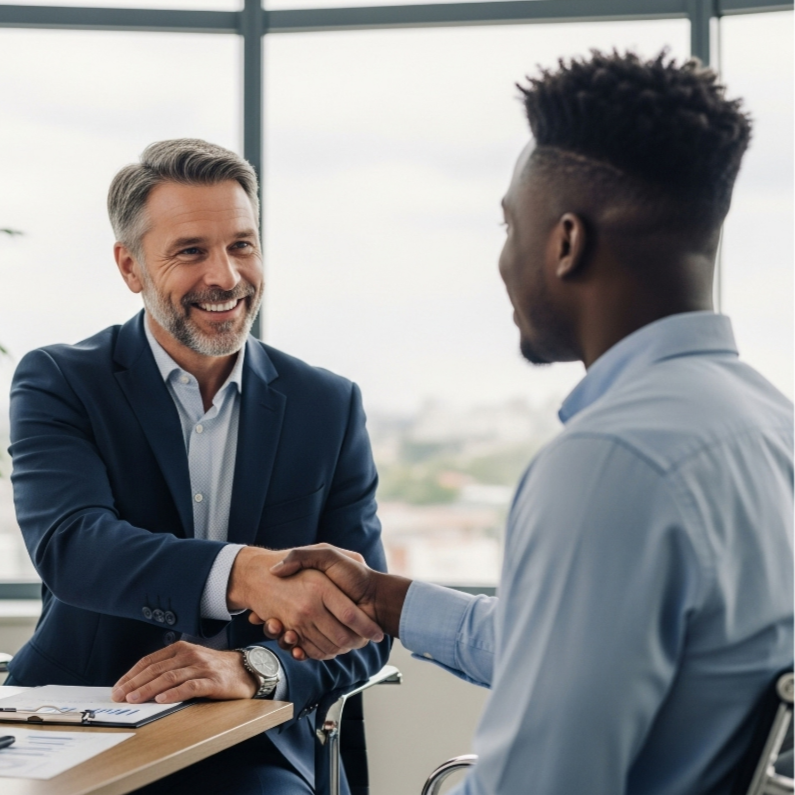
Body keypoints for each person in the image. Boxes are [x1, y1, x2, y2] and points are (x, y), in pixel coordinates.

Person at [261, 51, 794, 794]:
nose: (504, 261)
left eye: (511, 227)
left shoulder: (610, 461)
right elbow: (580, 649)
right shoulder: (767, 423)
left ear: (566, 242)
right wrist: (383, 598)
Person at [7, 139, 390, 794]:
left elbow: (365, 623)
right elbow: (73, 546)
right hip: (78, 720)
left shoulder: (326, 404)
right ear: (130, 266)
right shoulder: (59, 380)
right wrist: (244, 573)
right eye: (191, 251)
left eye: (241, 244)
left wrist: (255, 667)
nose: (226, 276)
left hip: (249, 740)